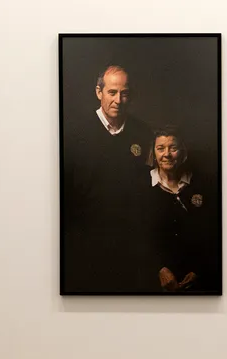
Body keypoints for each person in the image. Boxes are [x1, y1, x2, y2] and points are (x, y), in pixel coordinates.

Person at [61, 64, 155, 293]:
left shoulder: (143, 133)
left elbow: (148, 189)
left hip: (130, 245)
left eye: (124, 93)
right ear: (98, 92)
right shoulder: (74, 134)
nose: (118, 100)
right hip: (85, 243)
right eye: (112, 92)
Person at [141, 126, 221, 293]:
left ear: (182, 152)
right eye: (160, 148)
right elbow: (135, 236)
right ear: (153, 152)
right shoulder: (141, 186)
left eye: (173, 148)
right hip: (153, 280)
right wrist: (159, 268)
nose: (167, 154)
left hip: (199, 278)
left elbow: (213, 233)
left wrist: (199, 270)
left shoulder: (203, 184)